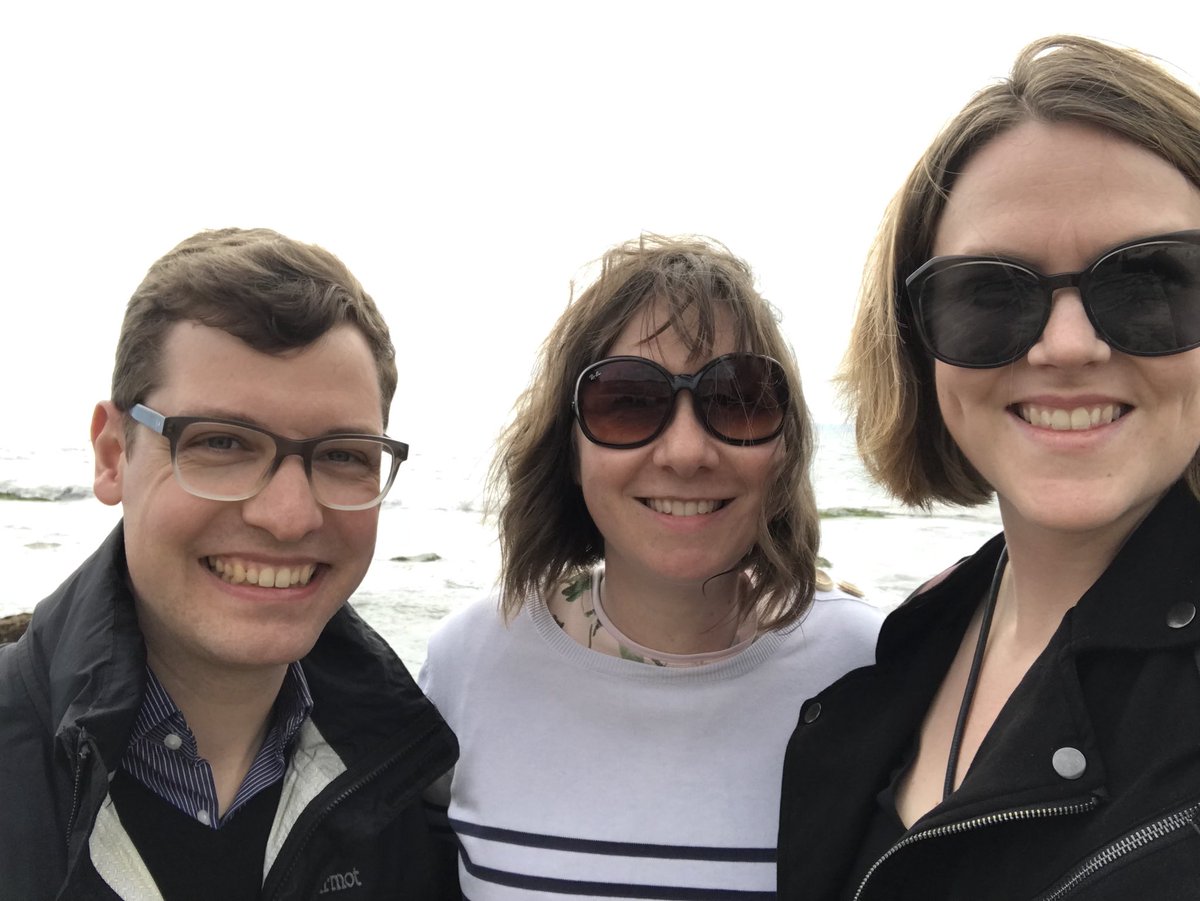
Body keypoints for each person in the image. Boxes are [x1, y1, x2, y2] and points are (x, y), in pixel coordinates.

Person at [777, 35, 1200, 900]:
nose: (1069, 345)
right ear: (915, 345)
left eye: (1152, 281)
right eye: (991, 293)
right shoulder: (912, 644)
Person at [419, 234, 882, 898]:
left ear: (783, 449)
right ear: (568, 446)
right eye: (629, 401)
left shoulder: (867, 667)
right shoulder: (469, 662)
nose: (687, 450)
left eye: (736, 398)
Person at [0, 228, 458, 899]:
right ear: (110, 454)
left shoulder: (419, 780)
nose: (289, 514)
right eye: (221, 442)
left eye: (342, 455)